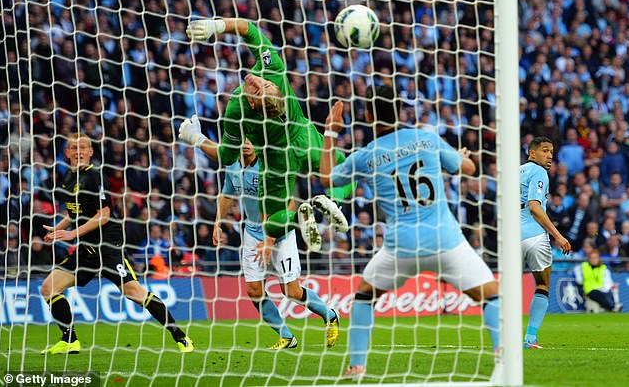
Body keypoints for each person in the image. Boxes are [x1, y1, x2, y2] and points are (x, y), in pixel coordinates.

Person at [319, 86, 500, 379]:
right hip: (446, 242)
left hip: (400, 249)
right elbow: (467, 168)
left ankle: (356, 366)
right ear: (400, 111)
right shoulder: (427, 138)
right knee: (492, 298)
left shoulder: (366, 156)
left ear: (367, 115)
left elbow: (327, 178)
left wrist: (330, 133)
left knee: (364, 297)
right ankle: (502, 356)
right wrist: (457, 156)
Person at [179, 17, 350, 250]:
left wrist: (197, 138)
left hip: (276, 160)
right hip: (302, 140)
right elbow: (249, 29)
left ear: (251, 102)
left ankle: (304, 214)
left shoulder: (236, 110)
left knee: (271, 223)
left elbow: (226, 157)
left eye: (259, 88)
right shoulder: (274, 70)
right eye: (262, 86)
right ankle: (331, 202)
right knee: (345, 169)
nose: (254, 81)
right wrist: (216, 26)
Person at [40, 133, 193, 354]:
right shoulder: (67, 178)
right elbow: (76, 213)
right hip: (86, 249)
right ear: (67, 153)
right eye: (74, 148)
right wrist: (57, 229)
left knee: (135, 294)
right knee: (48, 288)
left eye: (83, 147)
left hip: (107, 248)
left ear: (91, 151)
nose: (78, 152)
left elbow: (103, 215)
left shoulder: (94, 177)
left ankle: (180, 336)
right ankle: (70, 340)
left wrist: (72, 233)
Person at [214, 139, 339, 349]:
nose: (246, 144)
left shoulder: (270, 167)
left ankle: (330, 315)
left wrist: (270, 239)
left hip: (279, 233)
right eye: (242, 139)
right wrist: (217, 223)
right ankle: (287, 337)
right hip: (252, 232)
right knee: (254, 291)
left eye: (250, 140)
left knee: (291, 291)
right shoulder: (233, 166)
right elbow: (227, 194)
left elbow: (289, 205)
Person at [520, 136, 571, 349]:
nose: (549, 156)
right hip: (533, 235)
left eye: (551, 152)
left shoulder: (515, 171)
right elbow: (534, 206)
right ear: (532, 153)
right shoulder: (539, 172)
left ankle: (501, 338)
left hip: (508, 236)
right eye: (544, 151)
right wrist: (557, 236)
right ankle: (530, 338)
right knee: (542, 284)